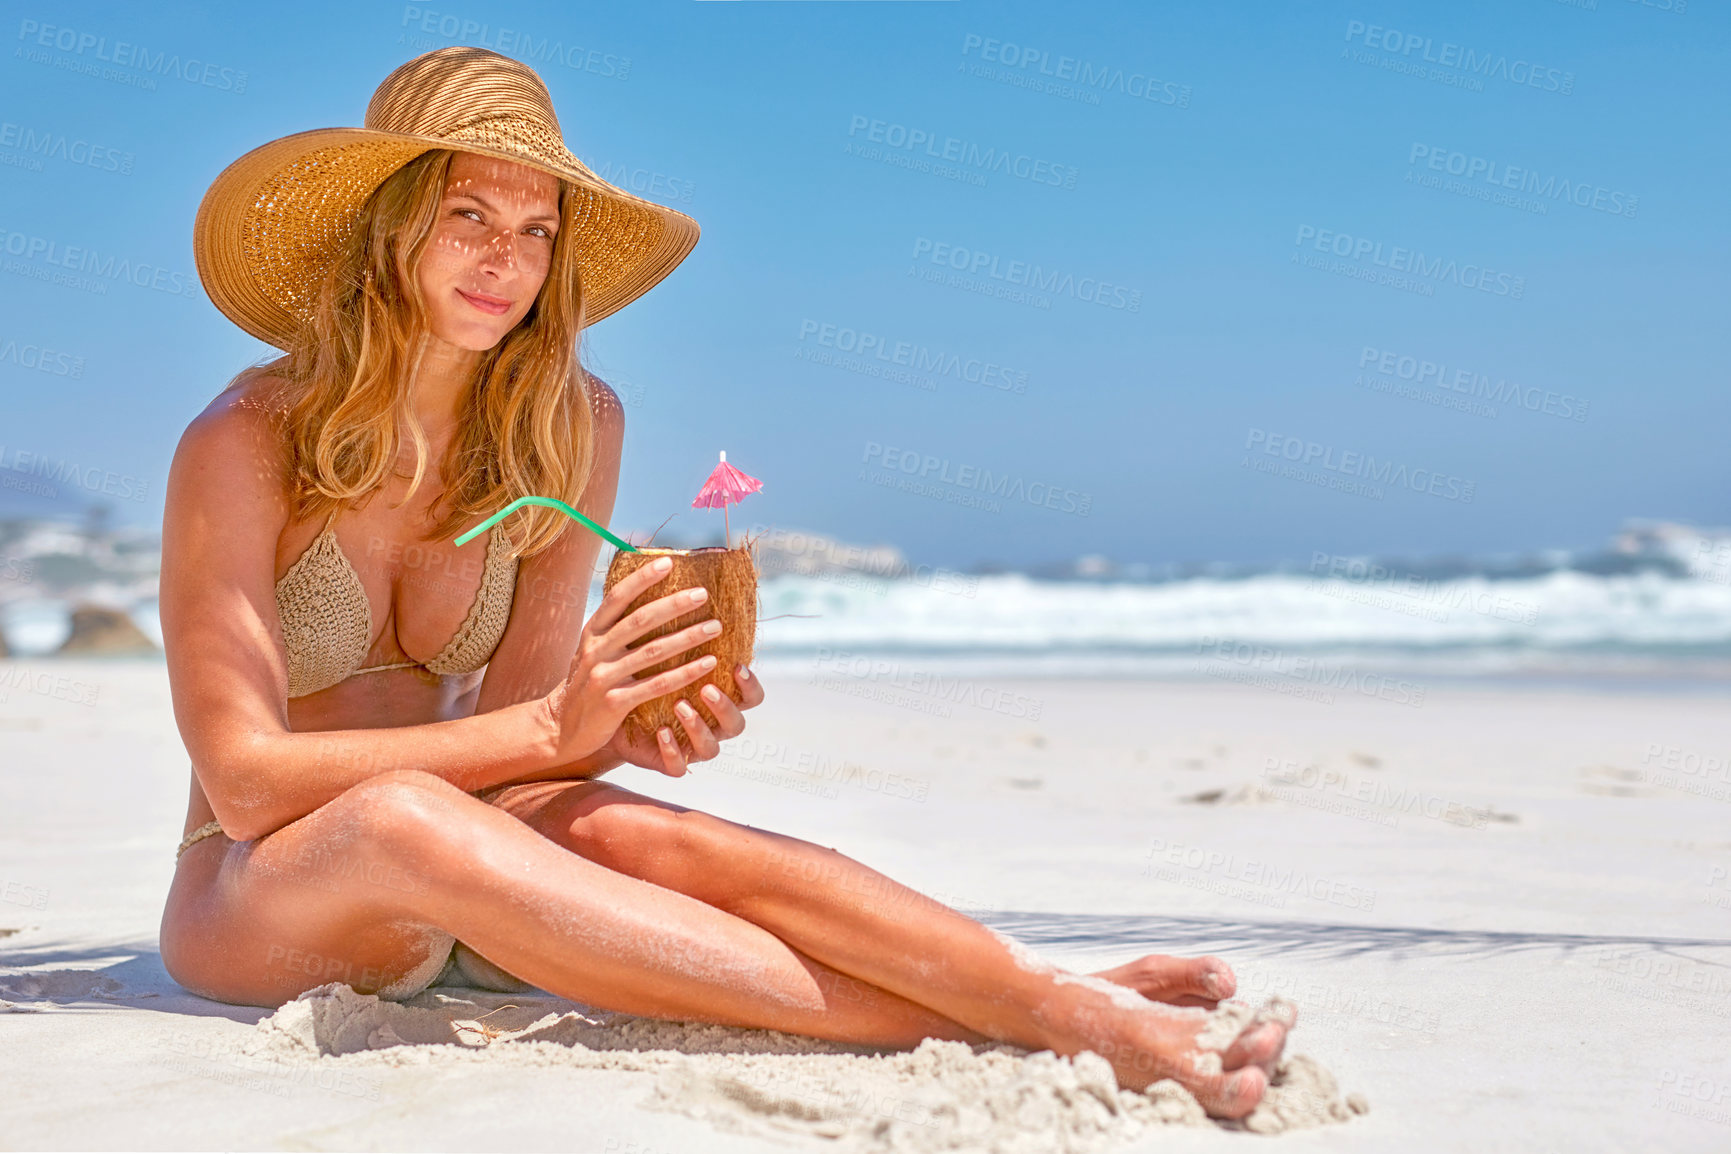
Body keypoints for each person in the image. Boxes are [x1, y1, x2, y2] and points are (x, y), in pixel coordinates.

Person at [159, 46, 1288, 1118]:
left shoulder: (568, 423)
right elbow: (250, 783)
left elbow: (526, 740)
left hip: (478, 860)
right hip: (263, 894)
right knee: (399, 817)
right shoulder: (249, 440)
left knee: (648, 834)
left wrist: (613, 728)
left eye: (535, 229)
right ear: (388, 227)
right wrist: (559, 726)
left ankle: (1028, 981)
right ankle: (1041, 1016)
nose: (506, 259)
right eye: (468, 217)